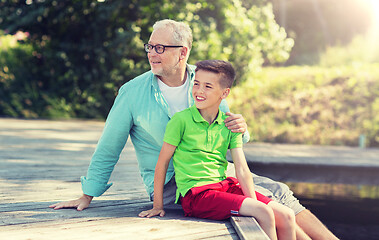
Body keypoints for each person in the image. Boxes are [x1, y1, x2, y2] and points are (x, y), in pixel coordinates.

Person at [49, 19, 338, 240]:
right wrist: (88, 194)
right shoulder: (132, 93)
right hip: (178, 184)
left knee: (279, 191)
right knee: (271, 202)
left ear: (182, 52)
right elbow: (109, 147)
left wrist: (242, 128)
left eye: (161, 48)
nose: (152, 53)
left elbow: (227, 133)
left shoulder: (203, 80)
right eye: (150, 46)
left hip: (215, 173)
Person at [139, 60, 302, 239]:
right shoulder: (180, 121)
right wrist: (157, 206)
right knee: (263, 212)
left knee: (286, 215)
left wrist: (252, 203)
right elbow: (162, 163)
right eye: (196, 84)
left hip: (224, 187)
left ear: (224, 93)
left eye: (208, 86)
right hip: (197, 195)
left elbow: (241, 169)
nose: (199, 91)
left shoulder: (229, 124)